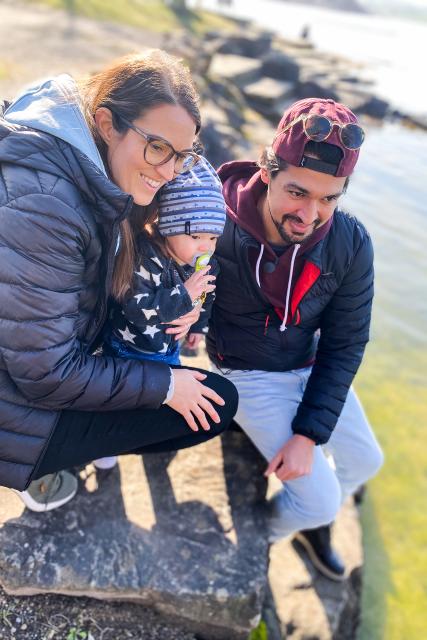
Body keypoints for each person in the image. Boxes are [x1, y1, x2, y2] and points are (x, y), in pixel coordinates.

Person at [0, 49, 238, 512]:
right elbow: (46, 374)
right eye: (158, 147)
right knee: (215, 403)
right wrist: (166, 386)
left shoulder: (90, 170)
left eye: (182, 156)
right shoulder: (46, 206)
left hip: (29, 359)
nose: (168, 172)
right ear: (107, 124)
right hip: (17, 400)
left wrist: (181, 306)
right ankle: (41, 465)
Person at [206, 98, 384, 581]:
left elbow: (346, 343)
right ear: (268, 170)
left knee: (366, 460)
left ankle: (307, 524)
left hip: (306, 361)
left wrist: (308, 435)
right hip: (245, 368)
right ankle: (259, 539)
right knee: (320, 498)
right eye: (298, 192)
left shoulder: (351, 243)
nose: (310, 214)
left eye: (329, 199)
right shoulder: (215, 218)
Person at [94, 156, 226, 470]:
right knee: (120, 404)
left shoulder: (201, 263)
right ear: (169, 226)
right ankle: (103, 445)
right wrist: (184, 296)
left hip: (167, 350)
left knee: (169, 402)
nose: (205, 247)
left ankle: (154, 438)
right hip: (129, 350)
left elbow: (205, 296)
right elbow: (137, 310)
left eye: (213, 237)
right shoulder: (146, 259)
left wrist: (198, 323)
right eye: (195, 236)